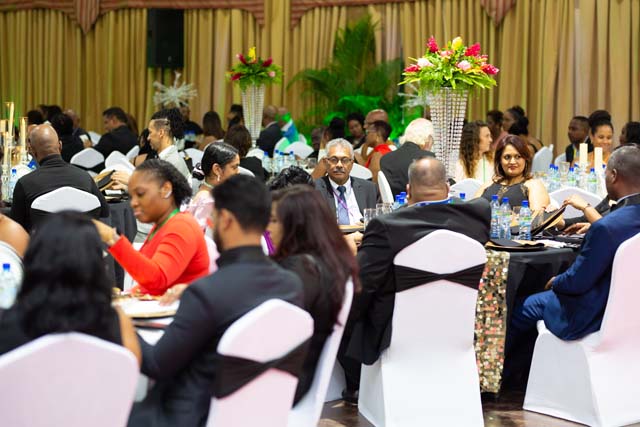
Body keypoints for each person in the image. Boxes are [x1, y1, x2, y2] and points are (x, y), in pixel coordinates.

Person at [128, 175, 304, 427]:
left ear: (227, 220)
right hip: (260, 413)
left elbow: (156, 364)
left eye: (215, 217)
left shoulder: (207, 292)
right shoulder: (291, 286)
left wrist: (121, 323)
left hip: (192, 415)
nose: (211, 223)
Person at [340, 157, 491, 401]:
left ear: (408, 191)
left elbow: (361, 286)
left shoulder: (387, 226)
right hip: (458, 323)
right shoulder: (478, 215)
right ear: (448, 188)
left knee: (344, 306)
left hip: (398, 329)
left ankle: (360, 386)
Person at [509, 145, 640, 344]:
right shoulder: (615, 223)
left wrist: (556, 280)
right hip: (630, 311)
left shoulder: (606, 227)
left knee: (521, 307)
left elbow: (578, 282)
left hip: (593, 314)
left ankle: (509, 364)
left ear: (613, 175)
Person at [0, 212, 140, 363]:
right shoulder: (116, 323)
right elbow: (131, 370)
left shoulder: (7, 325)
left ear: (33, 262)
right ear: (97, 266)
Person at [268, 186, 358, 402]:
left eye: (274, 220)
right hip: (296, 374)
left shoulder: (300, 273)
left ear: (296, 226)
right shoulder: (328, 263)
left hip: (283, 381)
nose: (267, 228)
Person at [94, 160, 208, 296]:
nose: (133, 203)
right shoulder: (165, 224)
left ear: (165, 190)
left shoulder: (182, 226)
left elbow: (157, 279)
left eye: (140, 194)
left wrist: (113, 238)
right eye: (132, 196)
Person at [10, 124, 109, 232]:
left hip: (42, 242)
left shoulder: (25, 184)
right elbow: (105, 212)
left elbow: (16, 226)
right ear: (60, 146)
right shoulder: (84, 177)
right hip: (83, 241)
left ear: (31, 151)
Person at [477, 135, 550, 212]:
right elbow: (471, 210)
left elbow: (537, 217)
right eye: (507, 157)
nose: (512, 162)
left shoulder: (533, 185)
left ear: (525, 159)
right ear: (499, 160)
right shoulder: (489, 184)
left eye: (518, 157)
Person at [315, 138, 377, 225]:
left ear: (352, 163)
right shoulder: (314, 190)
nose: (339, 165)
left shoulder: (369, 189)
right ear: (325, 162)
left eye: (345, 160)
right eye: (334, 160)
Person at [188, 142, 240, 230]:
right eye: (234, 167)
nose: (238, 172)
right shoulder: (206, 201)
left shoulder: (212, 196)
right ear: (217, 169)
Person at [380, 118, 435, 197]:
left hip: (396, 204)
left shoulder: (385, 159)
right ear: (428, 139)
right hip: (422, 203)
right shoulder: (429, 159)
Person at [148, 109, 191, 181]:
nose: (148, 138)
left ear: (161, 133)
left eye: (150, 132)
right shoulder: (167, 159)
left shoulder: (172, 163)